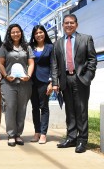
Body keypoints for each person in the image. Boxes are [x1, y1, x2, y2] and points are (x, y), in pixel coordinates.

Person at [52, 14, 97, 153]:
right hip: (65, 80)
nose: (69, 25)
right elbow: (55, 64)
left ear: (76, 24)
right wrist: (55, 82)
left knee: (81, 110)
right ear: (63, 25)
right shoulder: (58, 43)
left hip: (80, 80)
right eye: (66, 23)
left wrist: (87, 77)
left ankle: (82, 140)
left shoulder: (86, 39)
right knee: (69, 110)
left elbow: (92, 60)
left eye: (72, 23)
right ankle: (71, 138)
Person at [0, 24, 34, 147]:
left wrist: (28, 76)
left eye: (17, 32)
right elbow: (0, 63)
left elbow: (31, 62)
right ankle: (11, 134)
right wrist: (6, 76)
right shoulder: (5, 47)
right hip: (8, 83)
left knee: (22, 108)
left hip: (24, 83)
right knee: (10, 107)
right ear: (9, 34)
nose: (15, 34)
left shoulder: (26, 47)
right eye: (13, 32)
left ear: (21, 33)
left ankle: (18, 134)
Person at [28, 25, 53, 144]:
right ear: (33, 35)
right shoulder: (30, 47)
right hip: (31, 81)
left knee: (44, 107)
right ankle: (37, 132)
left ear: (44, 33)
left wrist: (52, 82)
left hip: (44, 81)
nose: (39, 35)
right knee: (34, 108)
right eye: (36, 33)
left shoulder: (50, 47)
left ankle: (43, 133)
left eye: (41, 32)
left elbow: (54, 65)